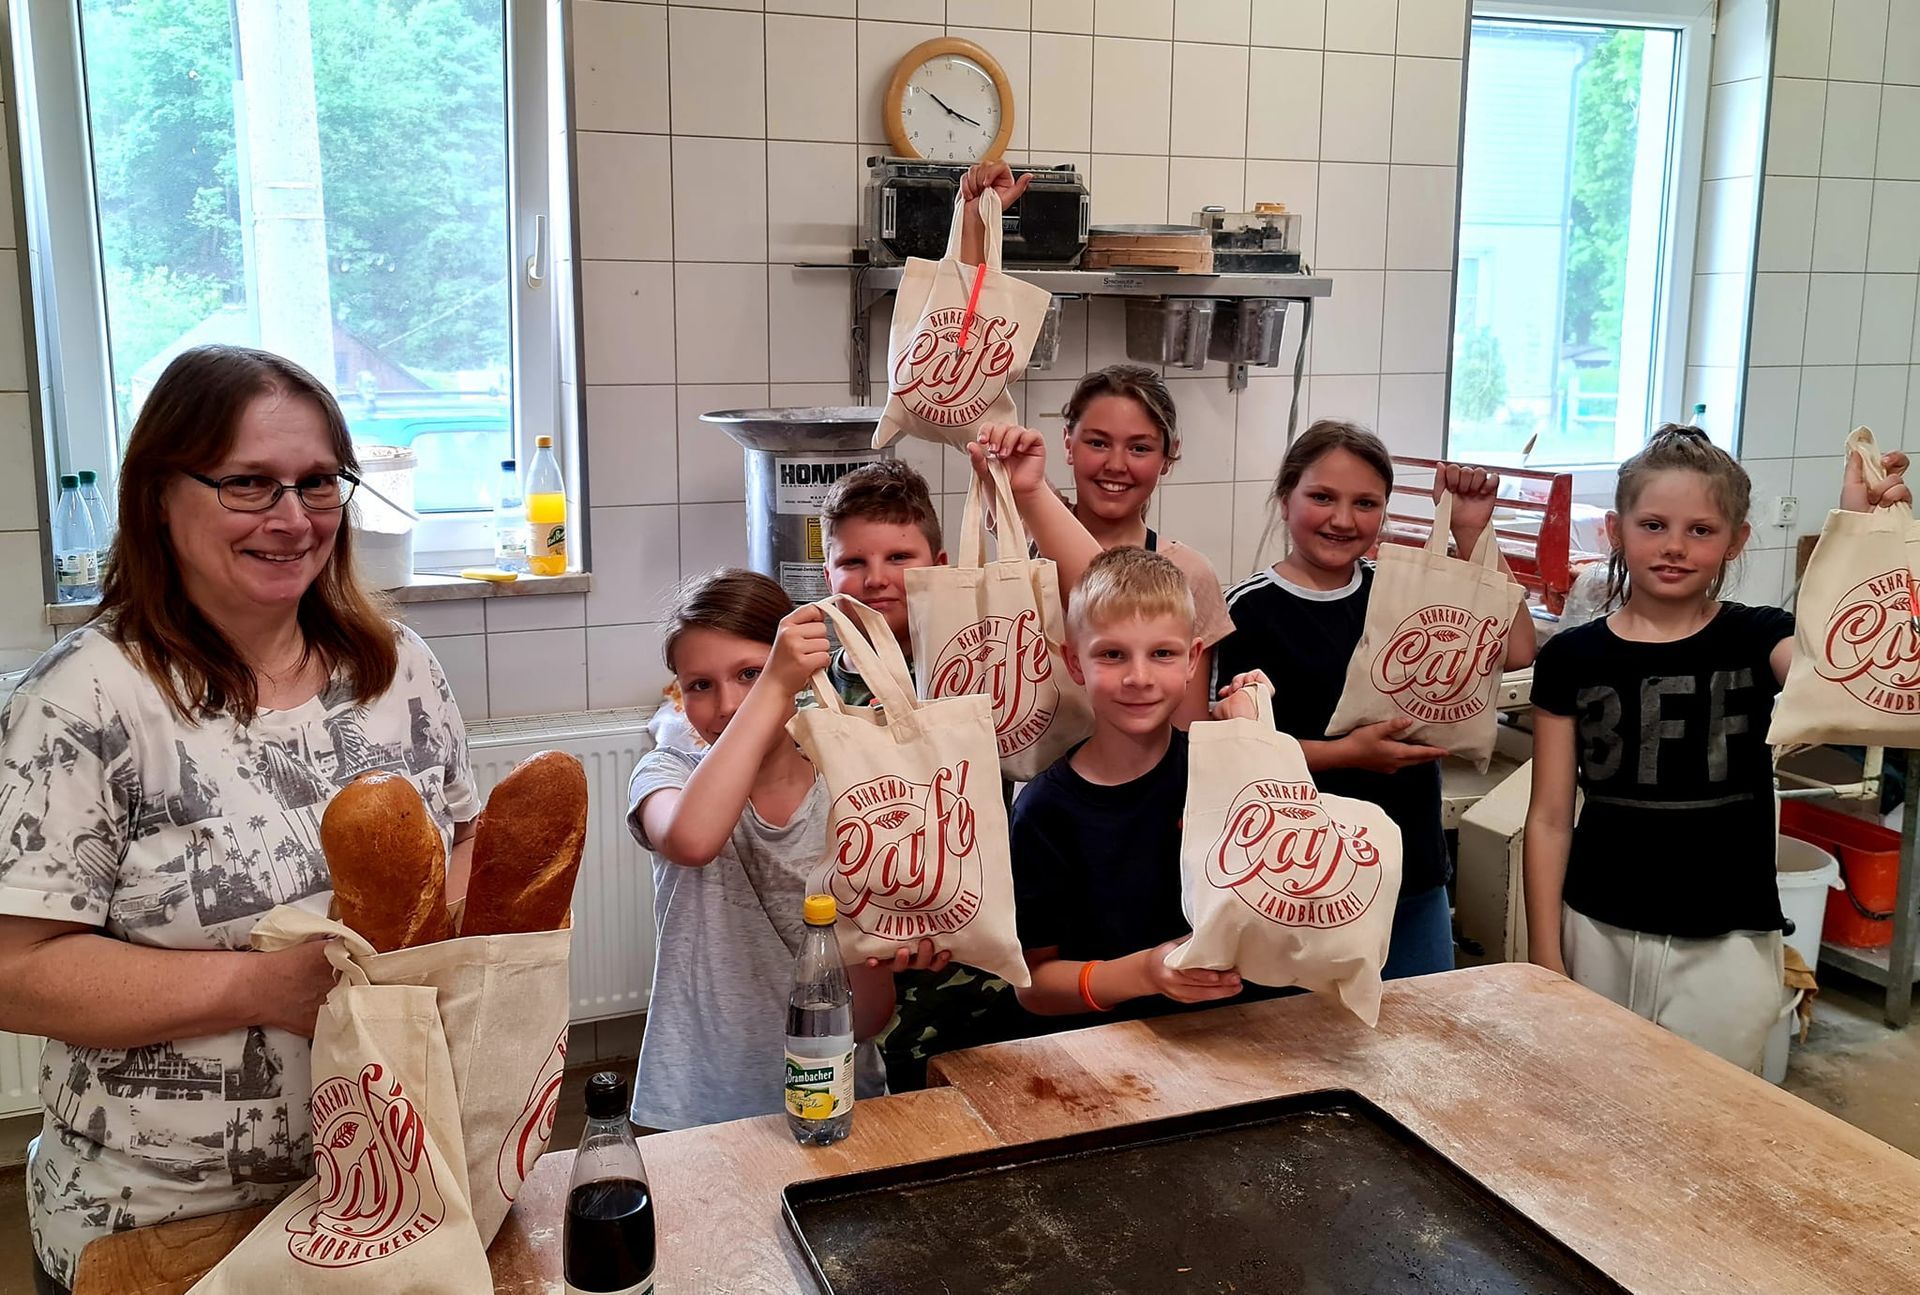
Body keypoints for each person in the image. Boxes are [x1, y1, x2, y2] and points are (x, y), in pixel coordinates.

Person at [0, 345, 478, 1295]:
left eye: (316, 483)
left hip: (392, 1181)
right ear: (158, 498)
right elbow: (15, 972)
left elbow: (460, 843)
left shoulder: (397, 671)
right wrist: (263, 989)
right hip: (166, 1218)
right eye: (249, 485)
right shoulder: (87, 701)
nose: (293, 519)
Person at [1523, 425, 1910, 1072]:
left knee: (1705, 1129)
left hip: (1728, 939)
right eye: (1653, 524)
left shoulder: (1761, 639)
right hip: (1597, 927)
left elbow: (1851, 680)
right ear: (1617, 531)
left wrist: (1861, 531)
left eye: (1701, 530)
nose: (1674, 545)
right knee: (1592, 1112)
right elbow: (1549, 817)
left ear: (1736, 540)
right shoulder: (1571, 656)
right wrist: (1544, 956)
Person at [1212, 421, 1537, 979]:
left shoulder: (1398, 588)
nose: (1342, 520)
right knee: (1296, 1048)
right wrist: (1348, 754)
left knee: (1419, 1033)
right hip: (1296, 875)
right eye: (1322, 497)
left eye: (1365, 503)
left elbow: (1517, 649)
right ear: (1285, 497)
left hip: (1410, 870)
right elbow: (1232, 749)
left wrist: (1472, 534)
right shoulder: (1245, 610)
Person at [626, 568, 947, 1130]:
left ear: (799, 673)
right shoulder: (667, 772)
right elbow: (693, 840)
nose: (726, 704)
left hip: (834, 1096)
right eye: (699, 685)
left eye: (750, 673)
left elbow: (869, 1017)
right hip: (699, 1102)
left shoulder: (853, 784)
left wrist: (885, 950)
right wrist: (770, 688)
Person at [1001, 545, 1278, 1019]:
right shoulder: (1045, 811)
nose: (1139, 677)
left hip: (1241, 1035)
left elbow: (1291, 894)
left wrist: (1254, 743)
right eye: (1112, 654)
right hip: (1109, 1061)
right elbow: (1034, 986)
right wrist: (1146, 974)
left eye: (1162, 653)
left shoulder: (1221, 770)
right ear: (1074, 663)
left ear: (1193, 660)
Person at [818, 460, 946, 707]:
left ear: (938, 568)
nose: (875, 580)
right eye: (854, 562)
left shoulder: (970, 669)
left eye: (898, 557)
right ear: (829, 578)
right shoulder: (808, 692)